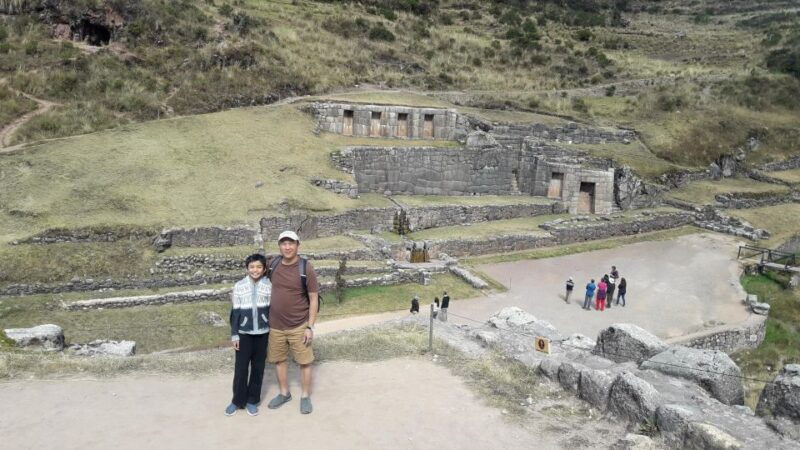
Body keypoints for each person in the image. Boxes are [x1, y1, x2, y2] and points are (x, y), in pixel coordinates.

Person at [266, 231, 319, 415]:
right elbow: (255, 273)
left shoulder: (306, 268)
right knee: (279, 360)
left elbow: (313, 298)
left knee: (305, 362)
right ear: (279, 246)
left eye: (291, 243)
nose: (287, 247)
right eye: (283, 243)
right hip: (275, 326)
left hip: (298, 325)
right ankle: (284, 393)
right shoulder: (272, 264)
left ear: (298, 245)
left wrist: (310, 327)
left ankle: (305, 396)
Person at [225, 253, 271, 417]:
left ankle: (252, 400)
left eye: (259, 266)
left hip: (263, 334)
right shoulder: (239, 286)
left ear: (264, 269)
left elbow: (272, 309)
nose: (255, 270)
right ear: (247, 268)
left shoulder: (269, 285)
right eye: (252, 267)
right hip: (244, 335)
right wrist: (235, 335)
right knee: (241, 368)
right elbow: (235, 312)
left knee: (258, 368)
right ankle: (237, 401)